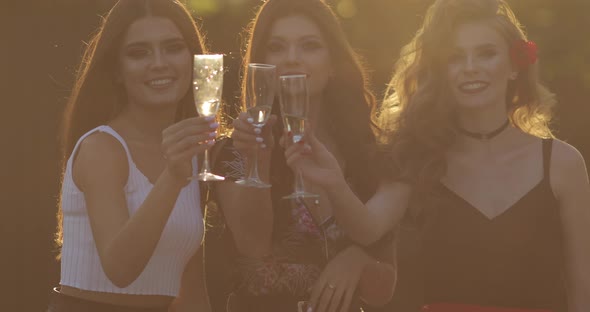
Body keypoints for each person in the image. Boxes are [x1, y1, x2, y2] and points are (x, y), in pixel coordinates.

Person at [284, 0, 590, 311]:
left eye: (486, 53)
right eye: (456, 57)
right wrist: (334, 182)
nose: (470, 66)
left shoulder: (564, 165)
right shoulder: (417, 157)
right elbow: (366, 229)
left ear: (513, 66)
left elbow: (583, 291)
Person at [203, 0, 397, 311]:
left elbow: (384, 290)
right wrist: (259, 158)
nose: (292, 59)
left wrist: (358, 260)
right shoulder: (232, 152)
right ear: (262, 64)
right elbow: (253, 247)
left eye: (309, 46)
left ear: (333, 63)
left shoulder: (367, 156)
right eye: (276, 48)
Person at [50, 1, 215, 311]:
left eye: (173, 48)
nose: (159, 63)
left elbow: (189, 290)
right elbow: (119, 269)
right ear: (117, 72)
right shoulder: (101, 148)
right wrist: (173, 177)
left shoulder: (192, 153)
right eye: (139, 53)